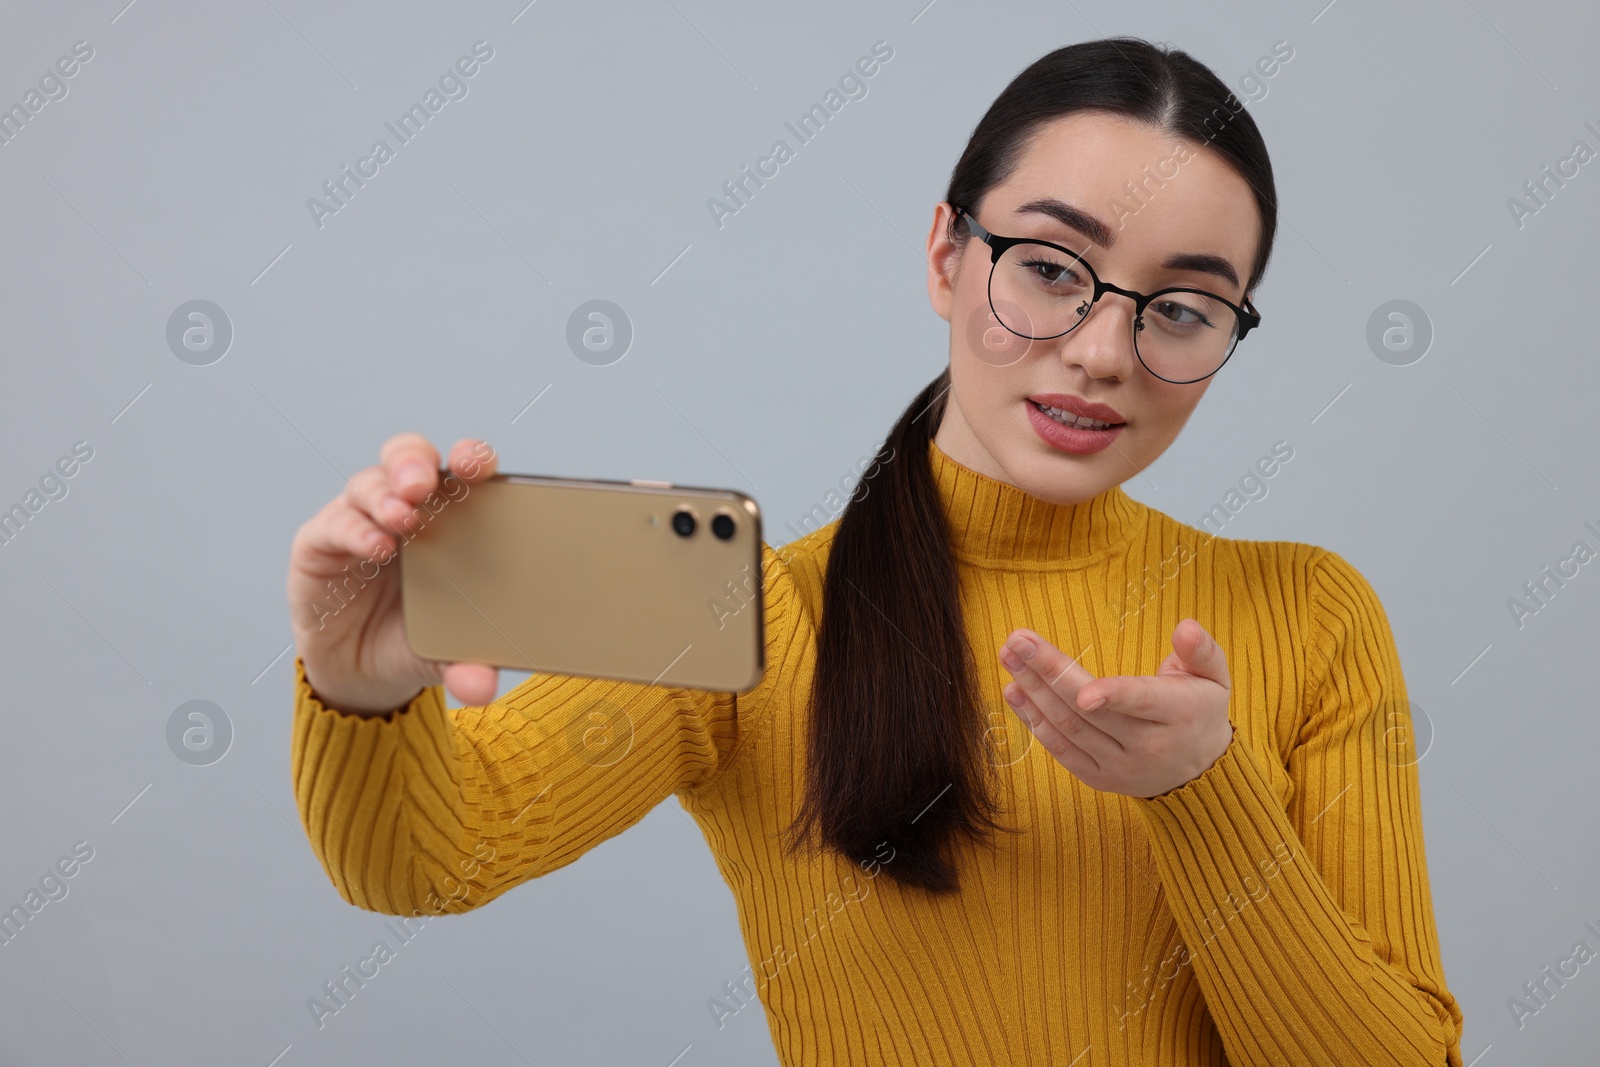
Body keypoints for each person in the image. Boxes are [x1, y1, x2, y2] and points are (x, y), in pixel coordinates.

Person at [285, 36, 1464, 1067]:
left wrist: (1206, 793)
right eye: (1052, 269)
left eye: (1182, 306)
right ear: (947, 255)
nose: (1105, 351)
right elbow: (427, 863)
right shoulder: (738, 607)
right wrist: (362, 683)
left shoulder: (1308, 611)